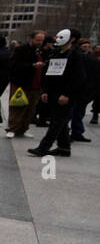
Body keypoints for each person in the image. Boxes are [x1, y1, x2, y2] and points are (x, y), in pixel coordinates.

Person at [29, 27, 87, 159]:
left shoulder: (76, 55)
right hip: (54, 91)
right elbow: (50, 73)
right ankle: (64, 147)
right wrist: (46, 90)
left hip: (65, 94)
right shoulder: (56, 52)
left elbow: (78, 78)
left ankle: (43, 147)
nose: (58, 40)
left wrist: (67, 94)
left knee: (57, 121)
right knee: (60, 120)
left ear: (72, 39)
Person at [6, 30, 48, 138]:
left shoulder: (43, 51)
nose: (40, 42)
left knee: (31, 108)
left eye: (42, 40)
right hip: (21, 83)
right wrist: (32, 65)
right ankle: (12, 128)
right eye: (38, 40)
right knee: (17, 106)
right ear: (32, 38)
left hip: (36, 85)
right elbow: (13, 65)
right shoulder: (21, 50)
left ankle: (23, 128)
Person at [68, 37, 93, 142]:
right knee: (70, 113)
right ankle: (63, 133)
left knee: (79, 113)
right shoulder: (76, 57)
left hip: (85, 90)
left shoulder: (91, 58)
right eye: (84, 46)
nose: (86, 48)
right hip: (75, 89)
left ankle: (77, 133)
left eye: (88, 47)